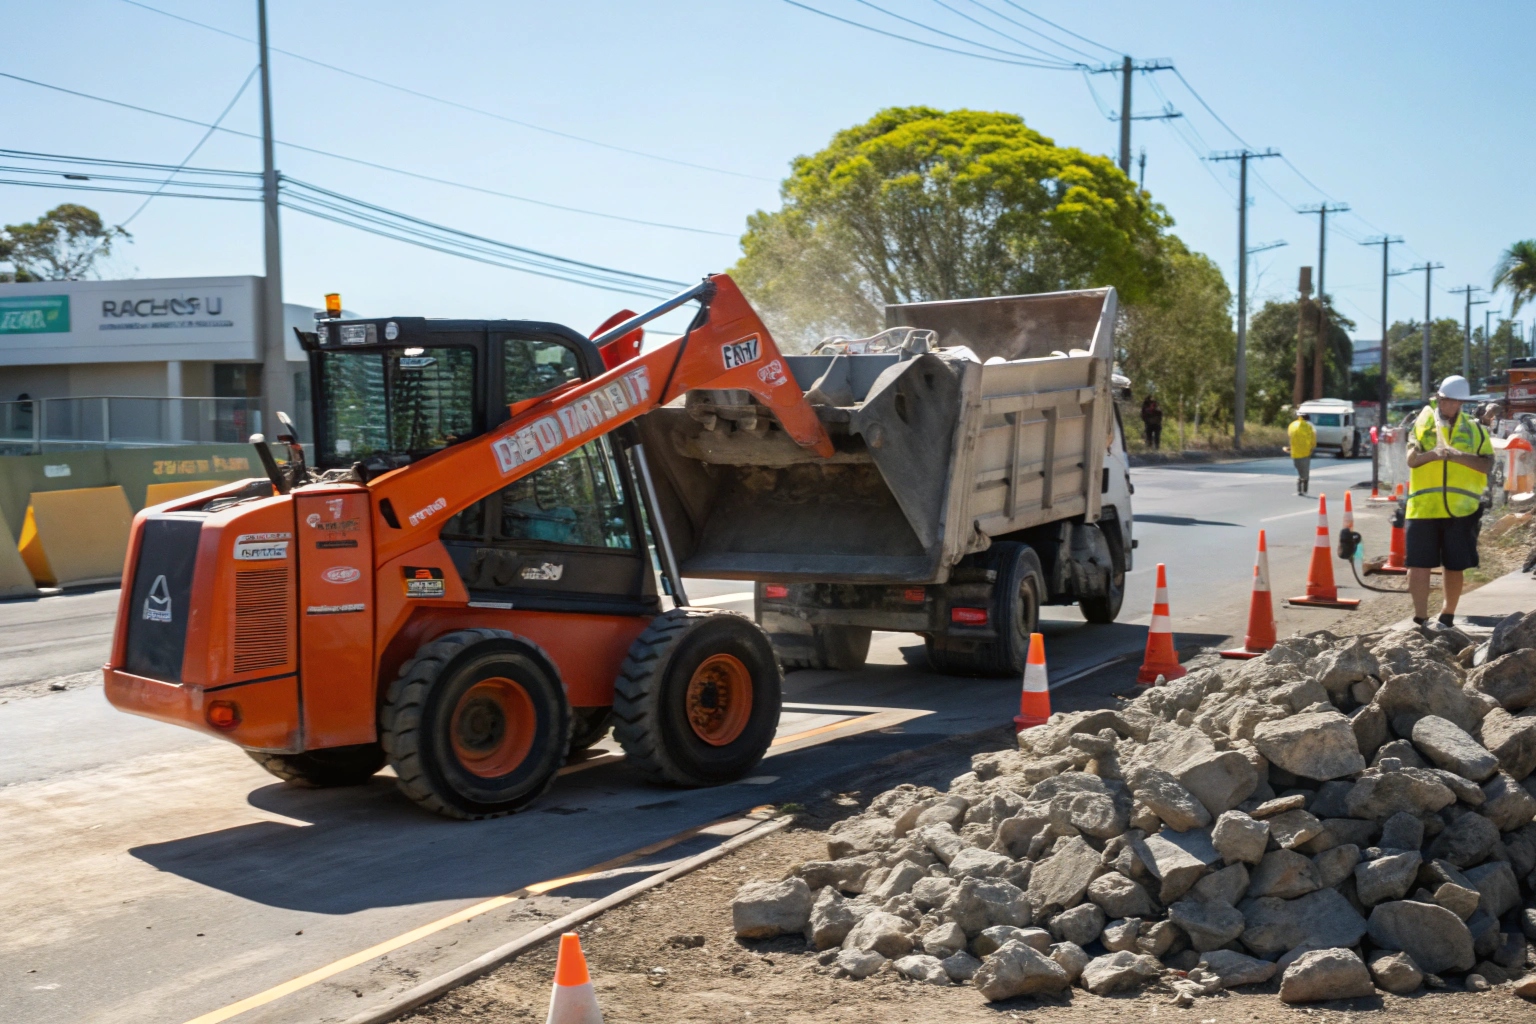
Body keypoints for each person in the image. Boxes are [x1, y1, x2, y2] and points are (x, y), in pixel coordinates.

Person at [1404, 374, 1493, 629]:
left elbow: (1486, 464)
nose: (1452, 406)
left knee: (1454, 565)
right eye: (1447, 401)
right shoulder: (1422, 424)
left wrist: (1457, 456)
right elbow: (1411, 460)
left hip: (1462, 510)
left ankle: (1447, 616)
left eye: (1457, 402)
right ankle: (1420, 618)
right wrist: (1434, 454)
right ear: (1439, 399)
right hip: (1422, 508)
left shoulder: (1474, 428)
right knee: (1417, 565)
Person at [1285, 410, 1316, 495]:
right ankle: (1304, 487)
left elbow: (1290, 437)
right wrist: (1312, 448)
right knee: (1305, 469)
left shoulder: (1293, 425)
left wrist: (1290, 447)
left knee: (1299, 468)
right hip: (1306, 452)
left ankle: (1300, 486)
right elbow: (1313, 438)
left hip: (1295, 452)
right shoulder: (1310, 426)